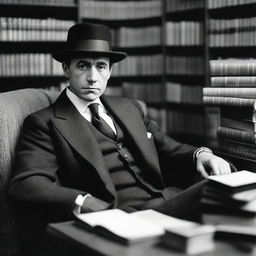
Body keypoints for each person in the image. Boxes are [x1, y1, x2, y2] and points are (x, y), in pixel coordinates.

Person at [8, 23, 233, 255]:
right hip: (118, 218)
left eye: (101, 67)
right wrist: (83, 202)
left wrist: (201, 154)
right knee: (218, 200)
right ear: (66, 68)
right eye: (83, 66)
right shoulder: (44, 122)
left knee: (229, 191)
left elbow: (169, 149)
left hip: (167, 202)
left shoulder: (129, 107)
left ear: (110, 71)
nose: (93, 77)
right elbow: (26, 183)